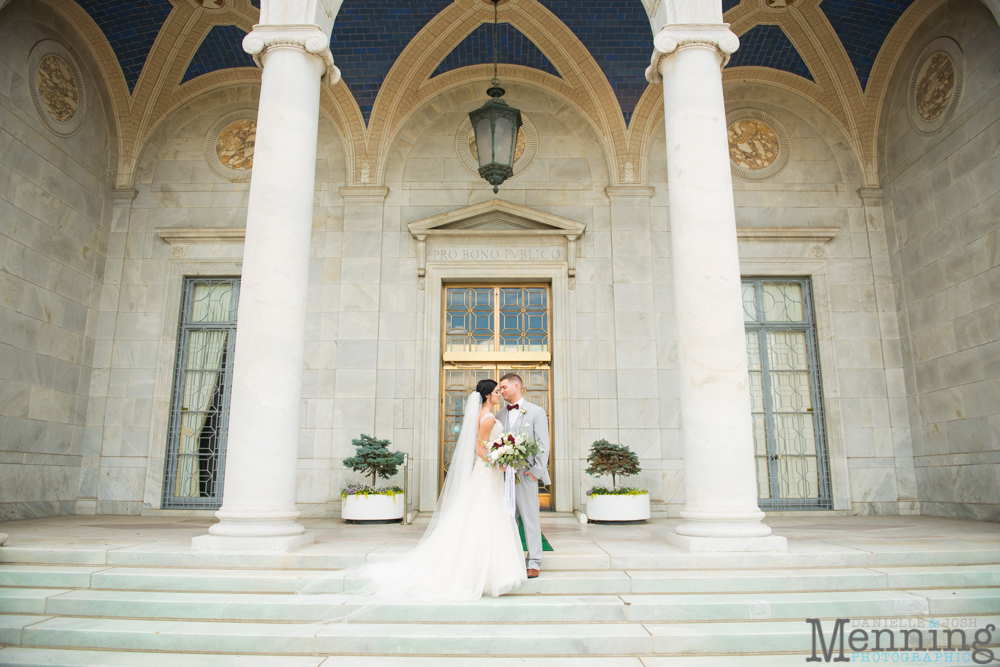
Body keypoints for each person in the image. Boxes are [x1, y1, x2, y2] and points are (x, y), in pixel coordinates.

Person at [347, 379, 527, 601]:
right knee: (486, 515)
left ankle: (485, 571)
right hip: (488, 471)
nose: (499, 394)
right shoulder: (488, 418)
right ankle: (482, 573)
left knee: (481, 515)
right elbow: (479, 449)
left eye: (501, 390)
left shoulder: (482, 414)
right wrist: (498, 460)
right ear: (488, 395)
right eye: (497, 391)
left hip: (486, 472)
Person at [498, 372, 550, 579]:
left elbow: (542, 445)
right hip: (503, 477)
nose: (501, 391)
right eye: (500, 389)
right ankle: (512, 559)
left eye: (504, 387)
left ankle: (534, 561)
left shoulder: (536, 412)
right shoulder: (500, 414)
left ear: (516, 386)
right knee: (508, 519)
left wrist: (536, 473)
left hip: (526, 475)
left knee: (530, 519)